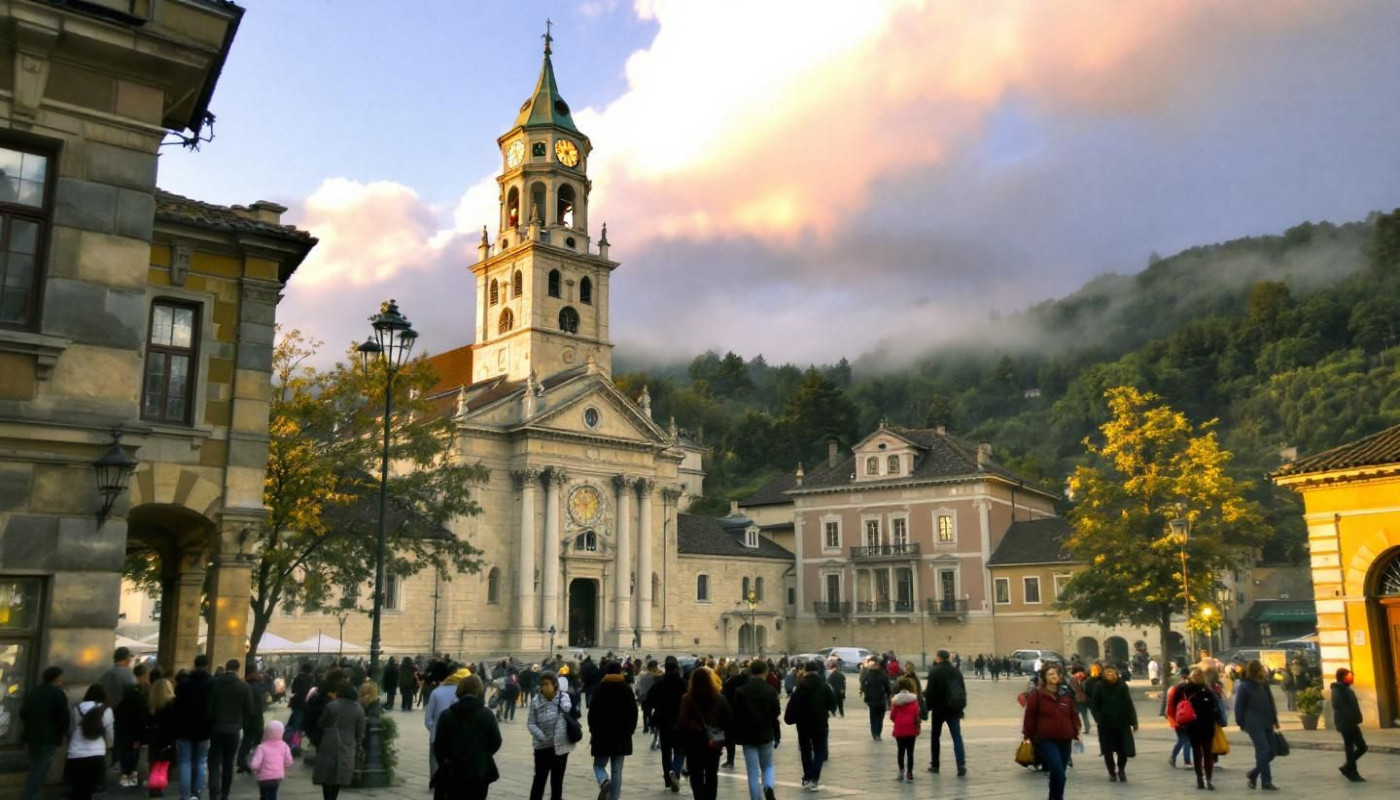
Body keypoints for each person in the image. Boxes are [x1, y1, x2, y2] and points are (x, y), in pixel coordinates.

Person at [432, 674, 502, 800]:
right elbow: (496, 741)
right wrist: (482, 754)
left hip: (453, 771)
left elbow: (439, 746)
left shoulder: (446, 715)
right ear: (478, 691)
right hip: (478, 771)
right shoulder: (487, 714)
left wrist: (446, 761)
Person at [1021, 664, 1080, 800]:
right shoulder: (1037, 694)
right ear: (1044, 677)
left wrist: (1076, 732)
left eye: (1056, 673)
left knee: (1060, 775)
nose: (1054, 676)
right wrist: (1027, 736)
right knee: (1058, 772)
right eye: (1050, 674)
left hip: (1065, 739)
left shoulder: (1065, 694)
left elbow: (1073, 714)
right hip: (1046, 739)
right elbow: (1030, 716)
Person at [676, 665, 732, 800]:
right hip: (713, 742)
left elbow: (682, 722)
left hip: (693, 743)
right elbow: (729, 720)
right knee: (712, 775)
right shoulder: (719, 698)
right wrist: (723, 737)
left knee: (696, 776)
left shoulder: (687, 699)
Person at [731, 659, 781, 800]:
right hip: (765, 733)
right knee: (768, 766)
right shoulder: (770, 691)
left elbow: (736, 713)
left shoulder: (740, 691)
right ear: (765, 672)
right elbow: (776, 712)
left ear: (750, 672)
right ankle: (768, 787)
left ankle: (756, 798)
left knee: (752, 771)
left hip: (748, 735)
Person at [312, 670, 366, 800]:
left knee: (326, 773)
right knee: (339, 774)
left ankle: (327, 797)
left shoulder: (332, 705)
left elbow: (321, 724)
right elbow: (361, 730)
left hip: (329, 742)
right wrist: (358, 743)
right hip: (348, 744)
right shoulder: (358, 708)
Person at [20, 665, 70, 800]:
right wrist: (65, 734)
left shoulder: (35, 691)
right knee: (40, 772)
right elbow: (64, 718)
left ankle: (31, 795)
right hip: (48, 738)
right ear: (57, 679)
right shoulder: (58, 694)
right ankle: (29, 797)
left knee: (35, 769)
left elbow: (23, 712)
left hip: (31, 736)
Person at [207, 658, 254, 800]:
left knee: (214, 759)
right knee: (228, 761)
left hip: (216, 727)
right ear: (238, 669)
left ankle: (213, 789)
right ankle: (225, 793)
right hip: (233, 729)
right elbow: (249, 709)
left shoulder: (214, 684)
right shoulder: (244, 686)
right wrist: (241, 723)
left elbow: (209, 707)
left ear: (226, 667)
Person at [785, 659, 835, 790]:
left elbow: (793, 704)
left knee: (805, 751)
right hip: (820, 723)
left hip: (803, 724)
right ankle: (814, 778)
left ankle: (807, 777)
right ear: (817, 671)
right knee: (820, 750)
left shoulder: (800, 686)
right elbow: (832, 704)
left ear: (805, 670)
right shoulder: (824, 686)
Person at [526, 672, 574, 800]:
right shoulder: (536, 701)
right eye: (542, 685)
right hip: (542, 748)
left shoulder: (563, 698)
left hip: (560, 748)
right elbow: (531, 723)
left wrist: (560, 698)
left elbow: (568, 708)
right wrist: (542, 736)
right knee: (539, 780)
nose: (544, 687)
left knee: (557, 782)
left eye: (547, 684)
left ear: (554, 685)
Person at [1234, 659, 1279, 791]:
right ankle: (1266, 781)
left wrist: (1275, 719)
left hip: (1267, 720)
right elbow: (1239, 706)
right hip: (1253, 722)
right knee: (1263, 749)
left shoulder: (1264, 684)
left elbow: (1271, 702)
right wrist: (1240, 722)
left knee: (1272, 751)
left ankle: (1254, 774)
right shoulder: (1245, 686)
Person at [174, 654, 214, 800]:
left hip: (184, 728)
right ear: (207, 665)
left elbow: (177, 707)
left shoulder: (183, 684)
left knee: (185, 762)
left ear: (194, 665)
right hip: (205, 729)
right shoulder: (212, 683)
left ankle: (185, 795)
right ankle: (197, 793)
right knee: (201, 761)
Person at [66, 684, 115, 800]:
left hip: (76, 751)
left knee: (77, 787)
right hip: (97, 751)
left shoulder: (77, 708)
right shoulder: (106, 710)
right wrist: (109, 745)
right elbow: (109, 731)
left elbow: (72, 729)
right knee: (91, 787)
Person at [1088, 665, 1137, 782]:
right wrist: (1099, 718)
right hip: (1105, 724)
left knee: (1124, 750)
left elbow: (1129, 703)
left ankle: (1121, 770)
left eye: (1112, 673)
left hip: (1122, 722)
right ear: (1103, 674)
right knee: (1107, 750)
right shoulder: (1099, 686)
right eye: (1107, 673)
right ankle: (1111, 772)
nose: (1110, 675)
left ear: (1116, 673)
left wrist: (1133, 721)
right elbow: (1094, 705)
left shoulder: (1122, 685)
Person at [645, 655, 687, 789]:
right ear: (677, 668)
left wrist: (653, 713)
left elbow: (649, 701)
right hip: (680, 721)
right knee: (680, 750)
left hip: (664, 721)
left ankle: (668, 779)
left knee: (666, 751)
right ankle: (675, 771)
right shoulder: (683, 684)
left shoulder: (659, 683)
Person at [923, 649, 967, 776]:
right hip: (953, 708)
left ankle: (935, 765)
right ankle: (961, 764)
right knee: (957, 736)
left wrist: (927, 708)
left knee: (935, 737)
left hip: (938, 709)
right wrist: (961, 708)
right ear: (948, 658)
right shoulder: (956, 671)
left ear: (938, 658)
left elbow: (930, 692)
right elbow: (961, 690)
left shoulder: (935, 671)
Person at [1178, 668, 1221, 790]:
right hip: (1205, 725)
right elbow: (1215, 709)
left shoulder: (1187, 689)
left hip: (1194, 726)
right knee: (1206, 753)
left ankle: (1201, 779)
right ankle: (1207, 780)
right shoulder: (1208, 691)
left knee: (1198, 753)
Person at [425, 667, 470, 777]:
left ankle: (435, 782)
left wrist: (434, 728)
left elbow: (428, 718)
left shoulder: (436, 692)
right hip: (457, 735)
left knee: (435, 759)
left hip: (436, 734)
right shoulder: (463, 694)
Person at [1330, 667, 1366, 781]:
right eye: (1349, 676)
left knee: (1361, 747)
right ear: (1342, 678)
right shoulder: (1338, 690)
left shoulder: (1346, 689)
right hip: (1346, 723)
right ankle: (1352, 771)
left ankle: (1347, 768)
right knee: (1352, 748)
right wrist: (1352, 718)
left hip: (1351, 722)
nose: (1352, 678)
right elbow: (1340, 707)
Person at [146, 676, 179, 799]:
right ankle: (159, 785)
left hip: (154, 739)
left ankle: (154, 787)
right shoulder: (173, 704)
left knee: (154, 763)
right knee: (164, 765)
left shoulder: (151, 705)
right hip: (168, 739)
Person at [249, 719, 293, 800]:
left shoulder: (261, 747)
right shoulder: (284, 746)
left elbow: (255, 763)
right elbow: (289, 760)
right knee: (273, 793)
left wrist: (254, 768)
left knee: (263, 794)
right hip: (277, 776)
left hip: (263, 777)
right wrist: (286, 766)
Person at [889, 676, 922, 783]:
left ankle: (901, 770)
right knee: (910, 752)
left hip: (899, 729)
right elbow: (917, 714)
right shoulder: (914, 700)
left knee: (901, 751)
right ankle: (910, 773)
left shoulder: (895, 701)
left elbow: (892, 716)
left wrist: (898, 721)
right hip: (911, 729)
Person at [1165, 667, 1194, 769]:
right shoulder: (1187, 687)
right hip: (1186, 717)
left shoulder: (1174, 688)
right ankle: (1187, 761)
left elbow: (1170, 704)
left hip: (1178, 716)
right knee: (1187, 740)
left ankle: (1173, 757)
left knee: (1182, 739)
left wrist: (1171, 718)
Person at [860, 658, 890, 741]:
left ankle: (874, 734)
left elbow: (863, 686)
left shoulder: (867, 675)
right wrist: (888, 695)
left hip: (871, 700)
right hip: (881, 700)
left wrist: (865, 694)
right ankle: (878, 734)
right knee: (880, 718)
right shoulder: (883, 675)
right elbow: (888, 687)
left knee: (873, 718)